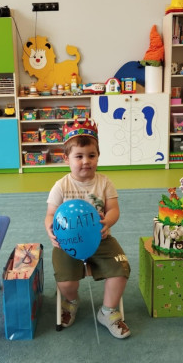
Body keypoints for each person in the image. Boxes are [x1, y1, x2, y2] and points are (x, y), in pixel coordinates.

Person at [44, 118, 131, 339]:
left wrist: (107, 222)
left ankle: (108, 311)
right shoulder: (61, 186)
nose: (86, 161)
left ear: (98, 156)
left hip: (101, 239)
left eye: (91, 155)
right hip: (68, 242)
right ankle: (71, 301)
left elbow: (114, 209)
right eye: (79, 156)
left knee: (121, 270)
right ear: (66, 158)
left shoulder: (105, 183)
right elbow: (50, 215)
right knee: (65, 281)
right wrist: (50, 229)